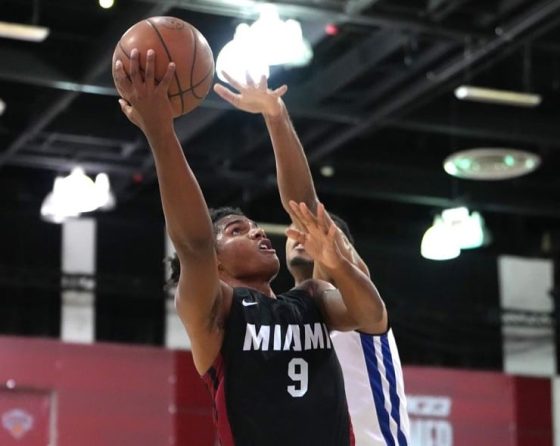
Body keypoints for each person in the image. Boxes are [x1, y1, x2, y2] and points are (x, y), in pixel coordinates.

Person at [114, 49, 387, 446]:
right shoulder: (217, 311)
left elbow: (372, 318)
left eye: (257, 226)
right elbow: (193, 243)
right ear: (217, 262)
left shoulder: (310, 297)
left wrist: (275, 116)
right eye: (239, 230)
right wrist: (160, 131)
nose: (259, 233)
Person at [214, 73, 409, 445]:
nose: (301, 236)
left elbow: (305, 204)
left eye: (318, 233)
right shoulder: (298, 308)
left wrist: (276, 115)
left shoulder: (342, 280)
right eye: (294, 233)